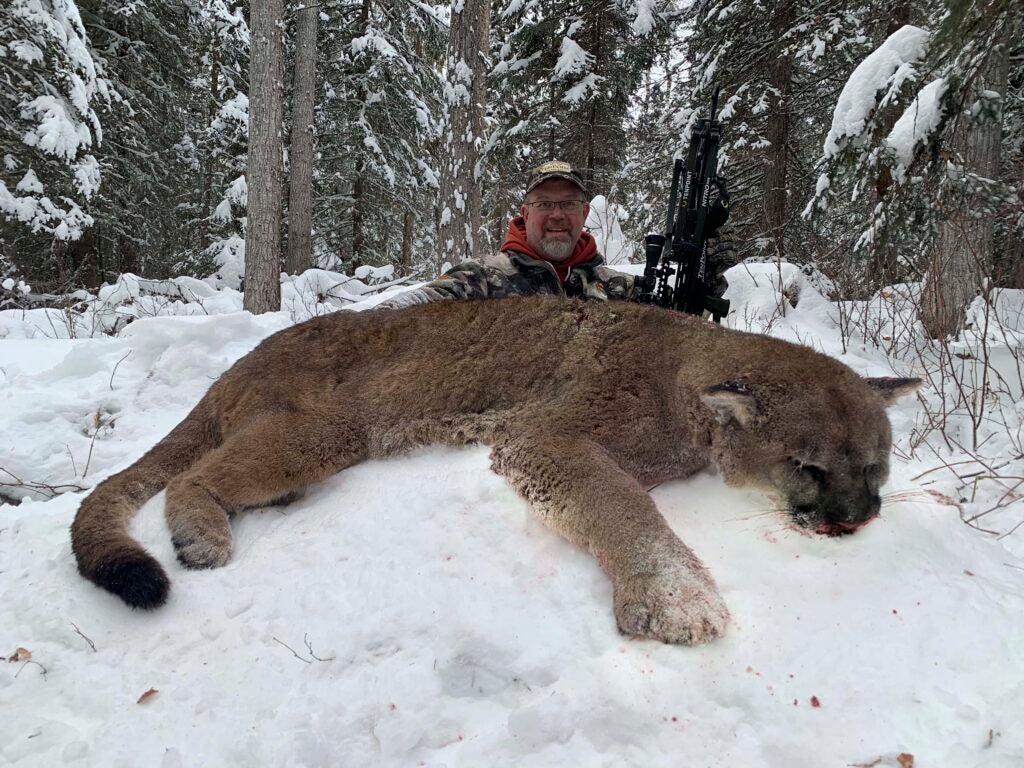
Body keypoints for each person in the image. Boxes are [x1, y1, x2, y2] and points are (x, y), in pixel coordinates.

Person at [378, 160, 733, 310]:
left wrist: (704, 266)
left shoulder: (618, 289)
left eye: (568, 203)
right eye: (545, 203)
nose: (557, 215)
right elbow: (410, 308)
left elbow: (678, 324)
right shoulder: (482, 278)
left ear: (585, 212)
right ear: (525, 212)